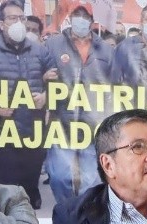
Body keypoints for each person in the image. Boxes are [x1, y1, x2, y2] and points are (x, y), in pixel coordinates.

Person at [0, 0, 54, 209]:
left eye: (21, 18)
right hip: (4, 130)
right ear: (1, 24)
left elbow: (58, 83)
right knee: (6, 190)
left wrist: (46, 96)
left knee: (30, 191)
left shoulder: (40, 51)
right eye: (12, 18)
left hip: (34, 130)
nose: (18, 22)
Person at [43, 0, 113, 205]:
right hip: (62, 123)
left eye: (85, 16)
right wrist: (43, 77)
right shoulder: (53, 44)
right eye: (77, 15)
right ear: (70, 18)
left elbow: (115, 85)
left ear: (91, 21)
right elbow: (37, 73)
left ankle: (84, 216)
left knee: (91, 180)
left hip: (92, 124)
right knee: (59, 176)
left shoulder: (105, 50)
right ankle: (68, 211)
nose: (80, 20)